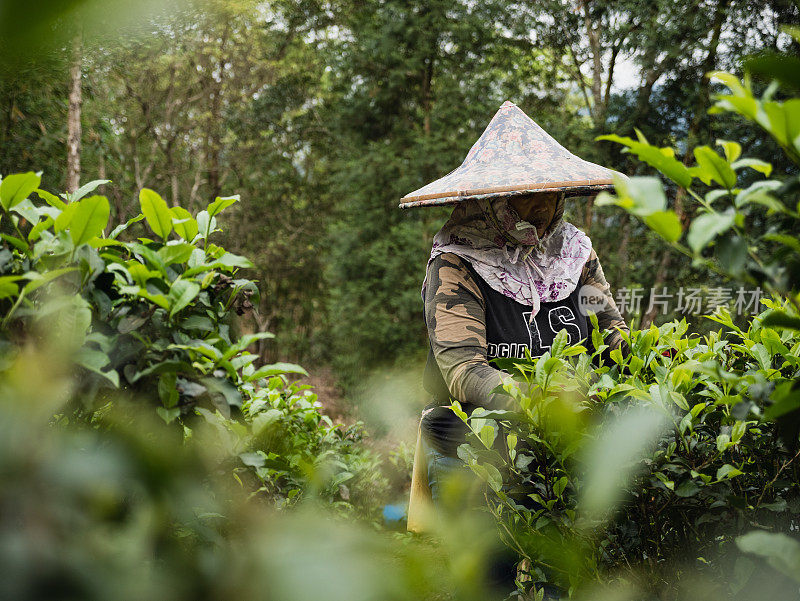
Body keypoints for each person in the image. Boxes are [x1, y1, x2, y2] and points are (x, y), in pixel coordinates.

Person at [402, 101, 629, 597]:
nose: (542, 206)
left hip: (555, 454)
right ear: (494, 199)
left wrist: (638, 372)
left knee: (561, 582)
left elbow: (611, 331)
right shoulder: (457, 261)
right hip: (472, 451)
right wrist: (542, 401)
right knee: (490, 582)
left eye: (550, 193)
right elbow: (464, 371)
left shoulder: (574, 252)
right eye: (525, 195)